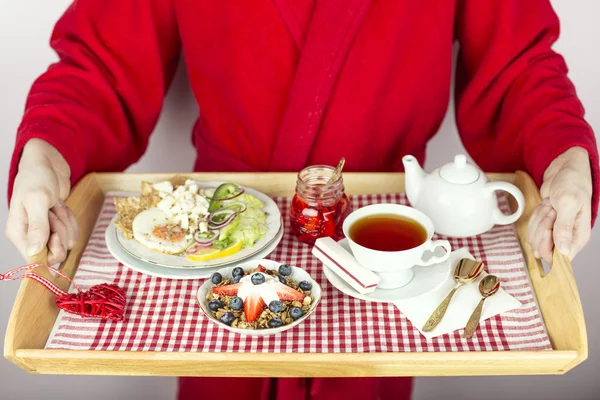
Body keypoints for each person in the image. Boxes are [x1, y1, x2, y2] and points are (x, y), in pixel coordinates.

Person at [5, 1, 598, 399]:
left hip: (384, 237)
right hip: (219, 244)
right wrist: (48, 152)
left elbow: (519, 68)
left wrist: (565, 155)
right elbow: (100, 65)